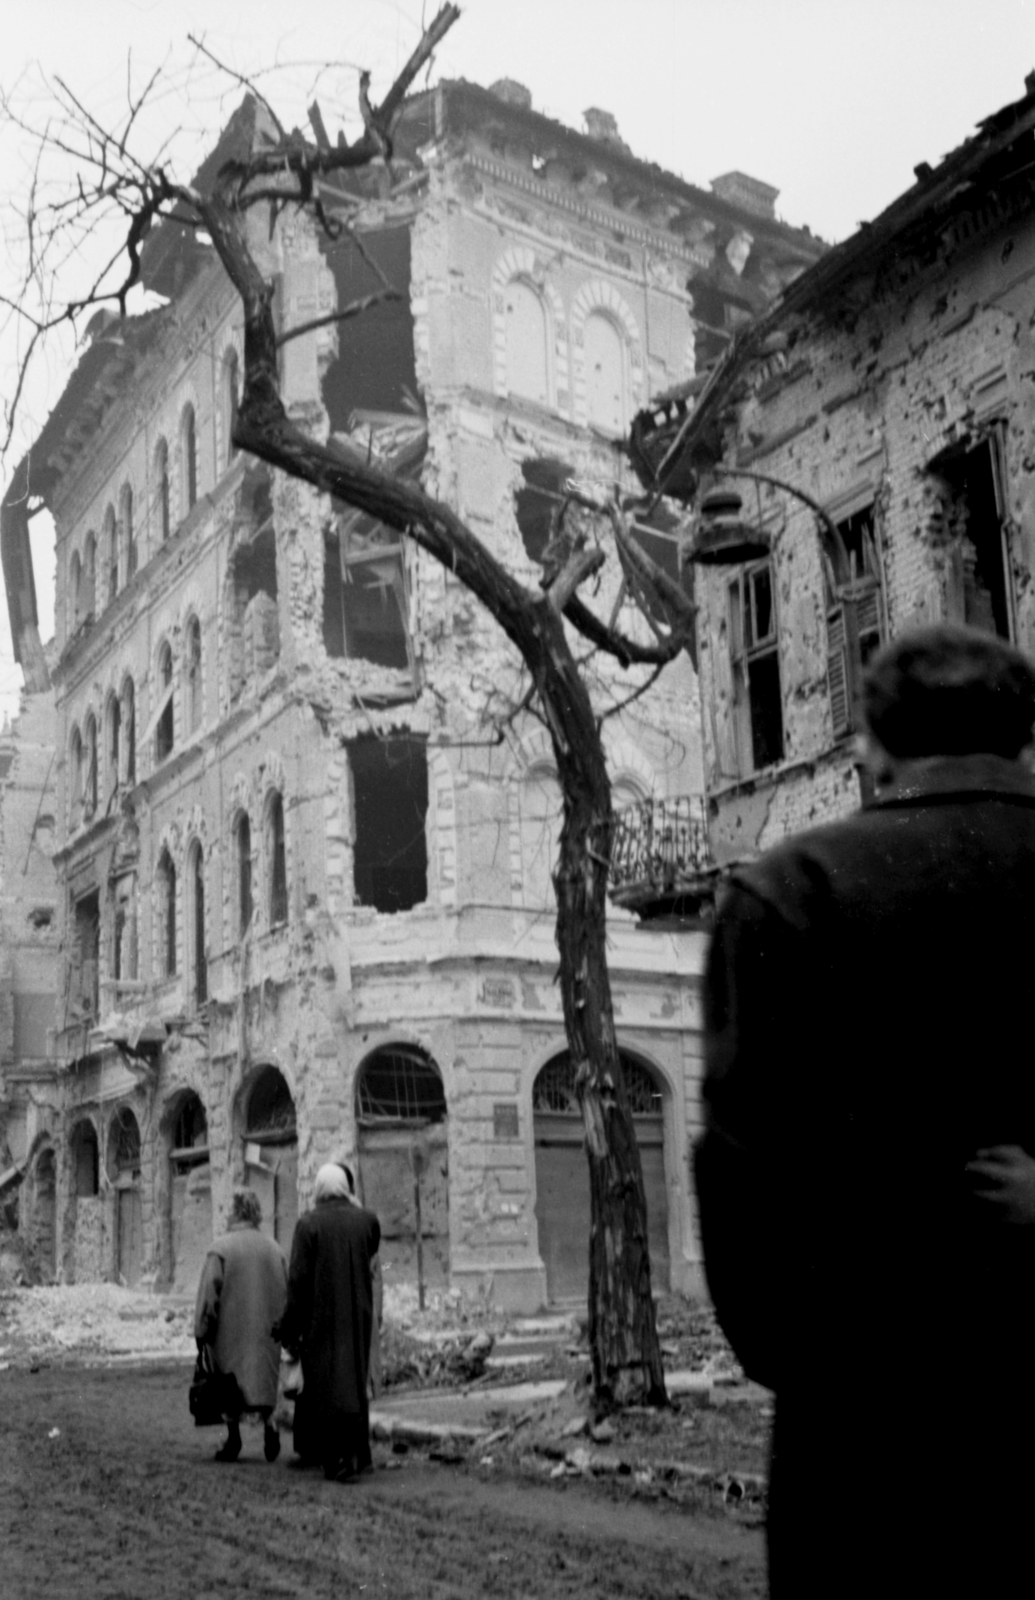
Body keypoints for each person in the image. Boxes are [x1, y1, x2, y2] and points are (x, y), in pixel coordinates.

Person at [694, 624, 1035, 1598]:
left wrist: (823, 1369)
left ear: (872, 745)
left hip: (866, 1437)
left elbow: (741, 1181)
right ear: (1024, 735)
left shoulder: (788, 894)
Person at [276, 1161, 381, 1481]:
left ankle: (333, 1457)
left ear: (320, 1189)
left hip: (320, 1318)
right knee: (354, 1381)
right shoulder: (367, 1220)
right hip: (359, 1315)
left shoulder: (308, 1225)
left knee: (326, 1386)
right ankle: (359, 1454)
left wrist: (290, 1325)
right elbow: (372, 1253)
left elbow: (298, 1281)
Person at [194, 1186, 288, 1464]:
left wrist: (201, 1330)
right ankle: (270, 1426)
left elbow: (208, 1297)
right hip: (267, 1334)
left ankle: (233, 1437)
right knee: (263, 1382)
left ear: (233, 1213)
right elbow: (287, 1292)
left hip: (230, 1334)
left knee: (229, 1385)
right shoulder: (275, 1249)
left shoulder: (220, 1249)